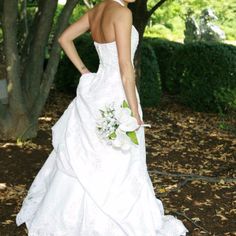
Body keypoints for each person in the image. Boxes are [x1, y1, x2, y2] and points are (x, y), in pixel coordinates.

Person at [15, 0, 189, 235]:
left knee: (87, 156)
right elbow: (125, 66)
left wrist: (85, 72)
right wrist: (134, 110)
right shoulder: (123, 13)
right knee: (120, 159)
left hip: (96, 90)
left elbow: (64, 38)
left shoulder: (95, 11)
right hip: (117, 92)